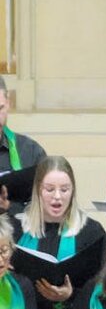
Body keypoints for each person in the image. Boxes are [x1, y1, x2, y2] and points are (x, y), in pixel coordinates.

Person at [11, 155, 106, 309]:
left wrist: (70, 294)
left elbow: (104, 286)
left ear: (72, 191)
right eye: (49, 189)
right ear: (38, 190)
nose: (57, 196)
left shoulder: (91, 232)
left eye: (64, 189)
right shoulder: (17, 228)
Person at [0, 76, 46, 214]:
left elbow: (47, 208)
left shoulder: (30, 151)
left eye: (0, 108)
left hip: (21, 233)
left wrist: (9, 206)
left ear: (8, 104)